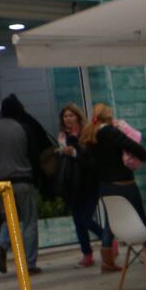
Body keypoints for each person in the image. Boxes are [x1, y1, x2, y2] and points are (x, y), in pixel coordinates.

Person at [0, 95, 52, 276]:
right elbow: (34, 156)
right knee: (28, 221)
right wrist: (39, 179)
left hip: (0, 185)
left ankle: (1, 244)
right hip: (23, 181)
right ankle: (29, 264)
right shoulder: (24, 128)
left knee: (9, 219)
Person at [81, 103, 146, 275]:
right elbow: (134, 147)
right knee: (141, 218)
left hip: (105, 187)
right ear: (108, 116)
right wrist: (142, 155)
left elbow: (87, 162)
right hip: (124, 184)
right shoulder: (111, 132)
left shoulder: (90, 135)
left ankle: (107, 261)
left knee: (111, 221)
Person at [55, 103, 106, 270]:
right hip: (72, 183)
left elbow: (91, 159)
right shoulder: (62, 137)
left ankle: (107, 239)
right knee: (78, 221)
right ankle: (87, 254)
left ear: (77, 116)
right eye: (65, 116)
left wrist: (74, 153)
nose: (68, 119)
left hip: (88, 183)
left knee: (85, 218)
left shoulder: (86, 133)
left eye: (71, 115)